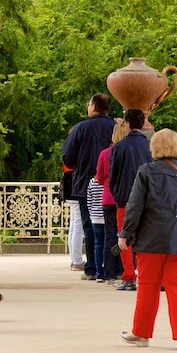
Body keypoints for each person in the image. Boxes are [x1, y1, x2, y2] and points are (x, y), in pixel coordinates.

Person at [119, 128, 177, 352]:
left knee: (148, 285)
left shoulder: (147, 171)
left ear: (154, 147)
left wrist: (125, 233)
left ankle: (141, 333)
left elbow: (135, 206)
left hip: (152, 238)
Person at [62, 94, 117, 280]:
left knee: (89, 227)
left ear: (93, 106)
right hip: (112, 186)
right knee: (112, 228)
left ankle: (92, 267)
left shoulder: (81, 127)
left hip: (86, 184)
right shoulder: (115, 127)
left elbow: (67, 155)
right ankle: (113, 267)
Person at [107, 108, 152, 291]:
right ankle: (145, 275)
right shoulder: (149, 146)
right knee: (145, 239)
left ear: (126, 123)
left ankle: (128, 277)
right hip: (147, 201)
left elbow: (113, 175)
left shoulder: (118, 146)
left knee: (123, 238)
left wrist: (117, 193)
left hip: (124, 199)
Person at [96, 119, 129, 286]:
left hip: (108, 198)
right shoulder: (127, 152)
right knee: (126, 234)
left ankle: (108, 272)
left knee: (109, 235)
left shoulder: (104, 154)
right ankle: (124, 269)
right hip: (124, 198)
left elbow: (100, 177)